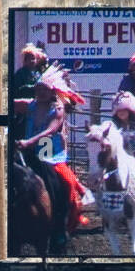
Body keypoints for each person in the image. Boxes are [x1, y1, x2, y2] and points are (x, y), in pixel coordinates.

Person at [17, 69, 87, 251]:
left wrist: (28, 142)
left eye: (44, 90)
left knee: (66, 181)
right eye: (38, 89)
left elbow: (49, 130)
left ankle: (61, 224)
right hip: (28, 149)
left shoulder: (57, 109)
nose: (40, 93)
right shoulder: (29, 105)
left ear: (52, 92)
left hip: (50, 152)